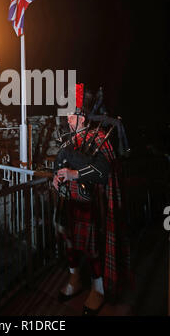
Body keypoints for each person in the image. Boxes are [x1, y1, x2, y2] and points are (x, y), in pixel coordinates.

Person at [53, 83, 130, 316]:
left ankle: (98, 289)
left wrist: (75, 173)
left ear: (83, 117)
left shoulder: (98, 138)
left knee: (93, 246)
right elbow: (59, 165)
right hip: (69, 202)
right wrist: (56, 179)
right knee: (69, 241)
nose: (68, 119)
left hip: (90, 205)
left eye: (72, 114)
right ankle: (75, 278)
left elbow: (103, 171)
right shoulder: (69, 140)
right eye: (66, 114)